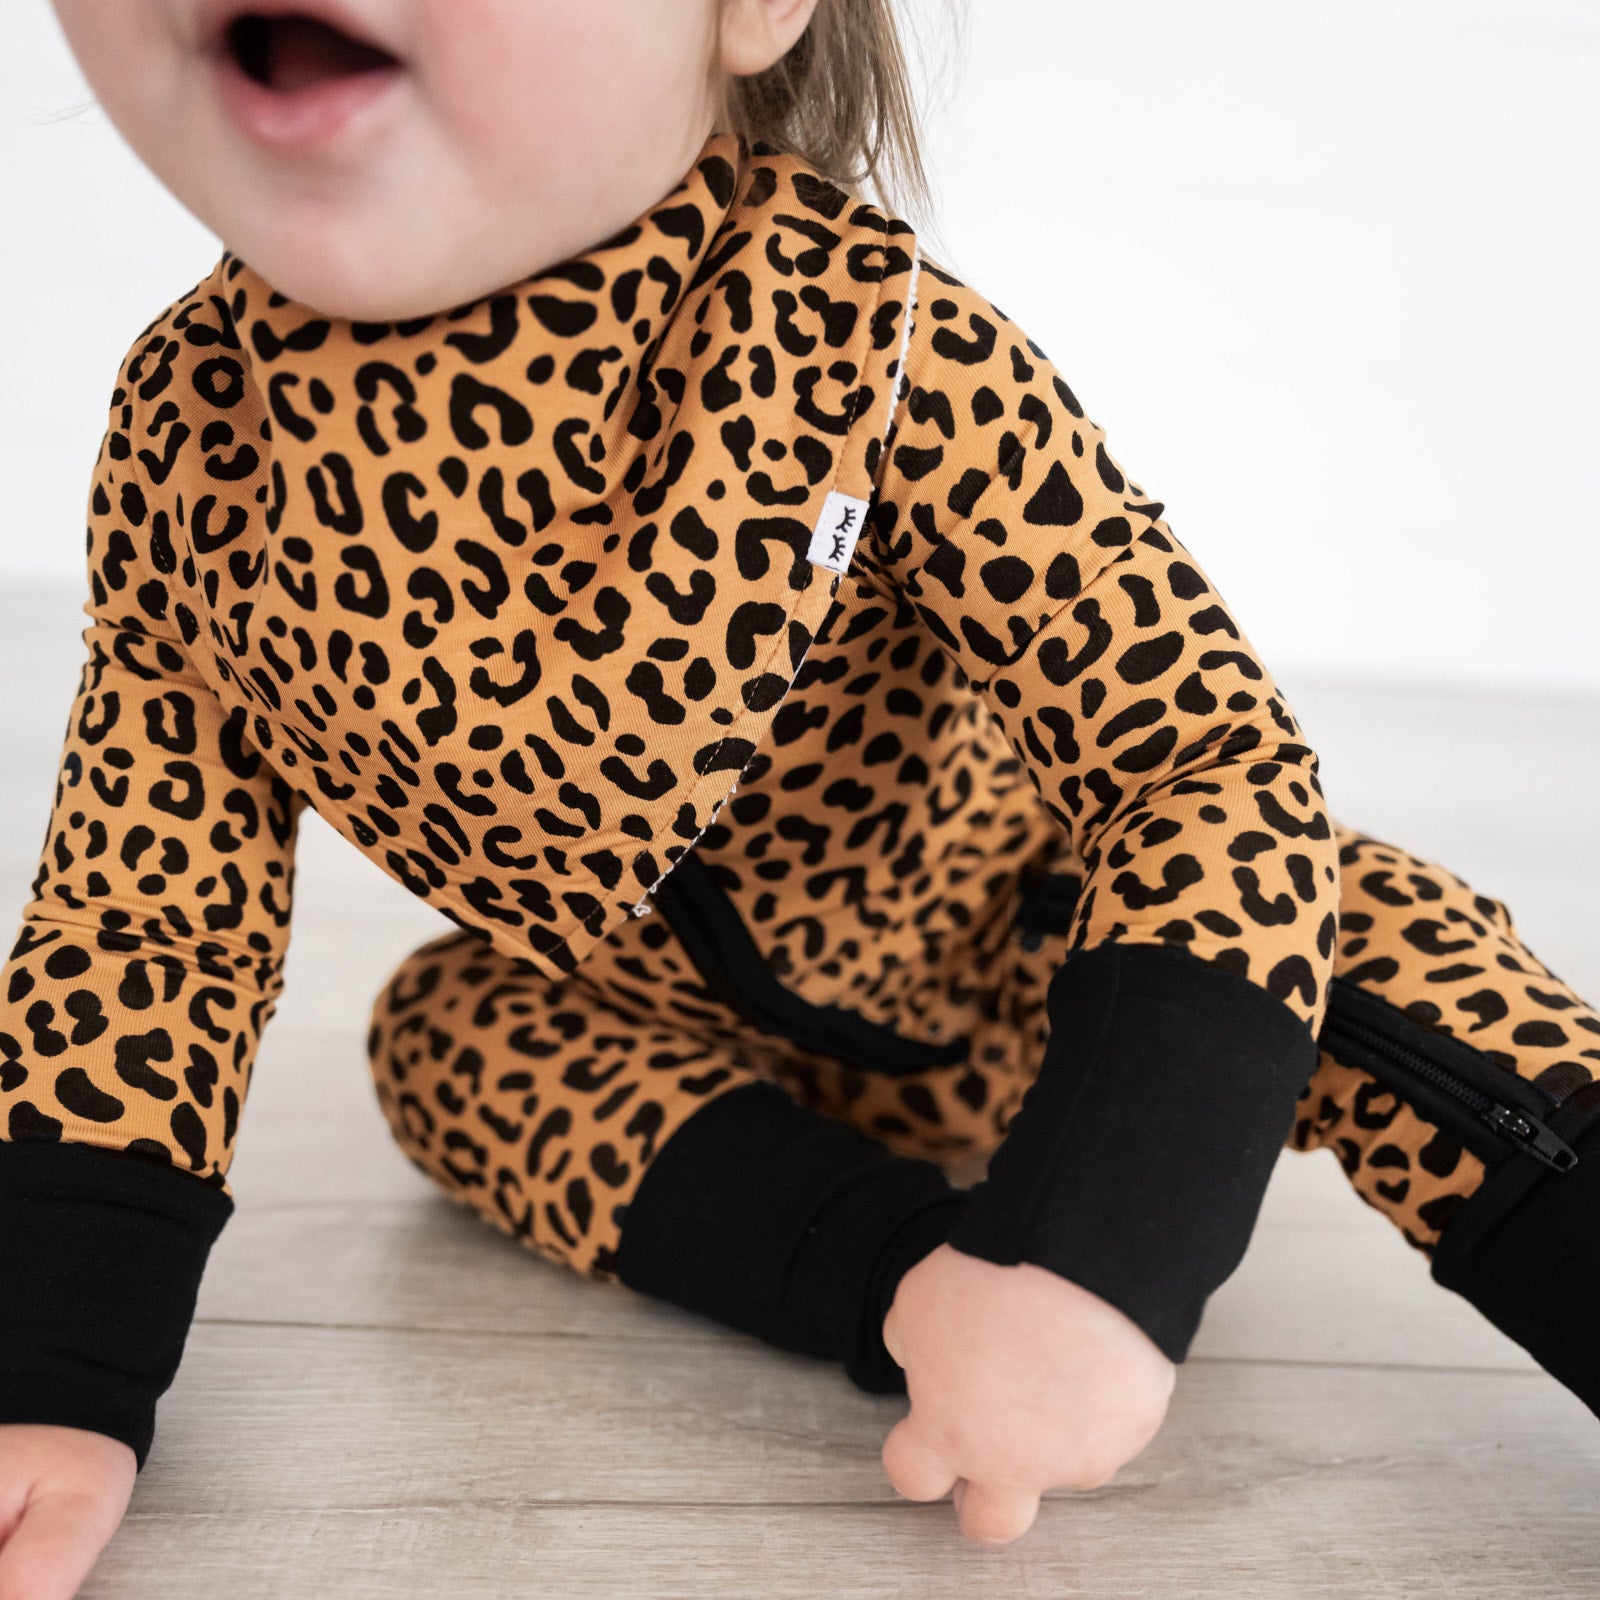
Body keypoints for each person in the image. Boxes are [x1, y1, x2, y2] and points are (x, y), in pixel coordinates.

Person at [2, 0, 1596, 1589]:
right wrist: (49, 1374)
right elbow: (145, 922)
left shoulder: (868, 341)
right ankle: (913, 1279)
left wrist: (1100, 1249)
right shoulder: (194, 444)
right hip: (676, 1048)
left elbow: (1199, 763)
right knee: (446, 1039)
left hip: (1034, 959)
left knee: (1356, 927)